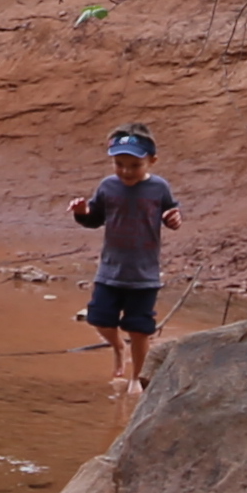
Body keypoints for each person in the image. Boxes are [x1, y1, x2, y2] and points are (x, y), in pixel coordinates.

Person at [71, 126, 178, 396]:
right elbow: (95, 218)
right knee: (99, 318)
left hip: (144, 274)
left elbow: (171, 211)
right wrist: (83, 211)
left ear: (152, 161)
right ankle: (118, 346)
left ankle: (136, 377)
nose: (126, 171)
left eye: (135, 165)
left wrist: (173, 219)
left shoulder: (158, 187)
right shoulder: (108, 186)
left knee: (140, 329)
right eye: (119, 164)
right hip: (110, 271)